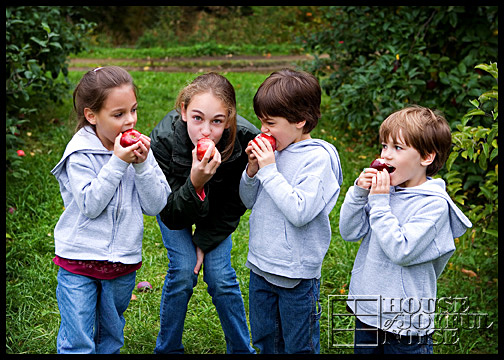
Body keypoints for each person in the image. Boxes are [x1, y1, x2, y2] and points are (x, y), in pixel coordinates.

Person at [51, 66, 171, 353]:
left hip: (122, 262)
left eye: (133, 110)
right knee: (78, 338)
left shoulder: (139, 150)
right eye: (119, 115)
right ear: (92, 116)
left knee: (111, 336)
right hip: (78, 259)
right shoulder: (80, 155)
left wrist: (142, 165)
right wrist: (117, 162)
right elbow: (90, 205)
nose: (130, 121)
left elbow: (156, 205)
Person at [339, 105, 472, 354]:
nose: (386, 156)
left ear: (426, 157)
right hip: (368, 313)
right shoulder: (386, 191)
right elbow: (349, 231)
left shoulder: (433, 205)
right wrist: (359, 192)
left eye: (397, 148)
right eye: (384, 146)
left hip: (406, 325)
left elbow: (402, 250)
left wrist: (379, 203)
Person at [149, 72, 259, 354]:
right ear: (184, 111)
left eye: (217, 121)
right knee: (184, 271)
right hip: (176, 207)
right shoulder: (162, 140)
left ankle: (241, 349)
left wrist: (204, 241)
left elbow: (237, 202)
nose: (206, 131)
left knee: (221, 278)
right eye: (198, 118)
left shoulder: (246, 142)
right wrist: (195, 182)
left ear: (230, 119)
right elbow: (170, 213)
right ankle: (168, 349)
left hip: (217, 214)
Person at [239, 69, 343, 354]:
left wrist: (269, 169)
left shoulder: (317, 160)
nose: (263, 131)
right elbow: (248, 201)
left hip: (296, 275)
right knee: (265, 340)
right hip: (261, 267)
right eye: (261, 121)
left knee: (299, 346)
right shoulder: (275, 153)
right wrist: (252, 171)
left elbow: (300, 212)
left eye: (270, 123)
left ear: (300, 121)